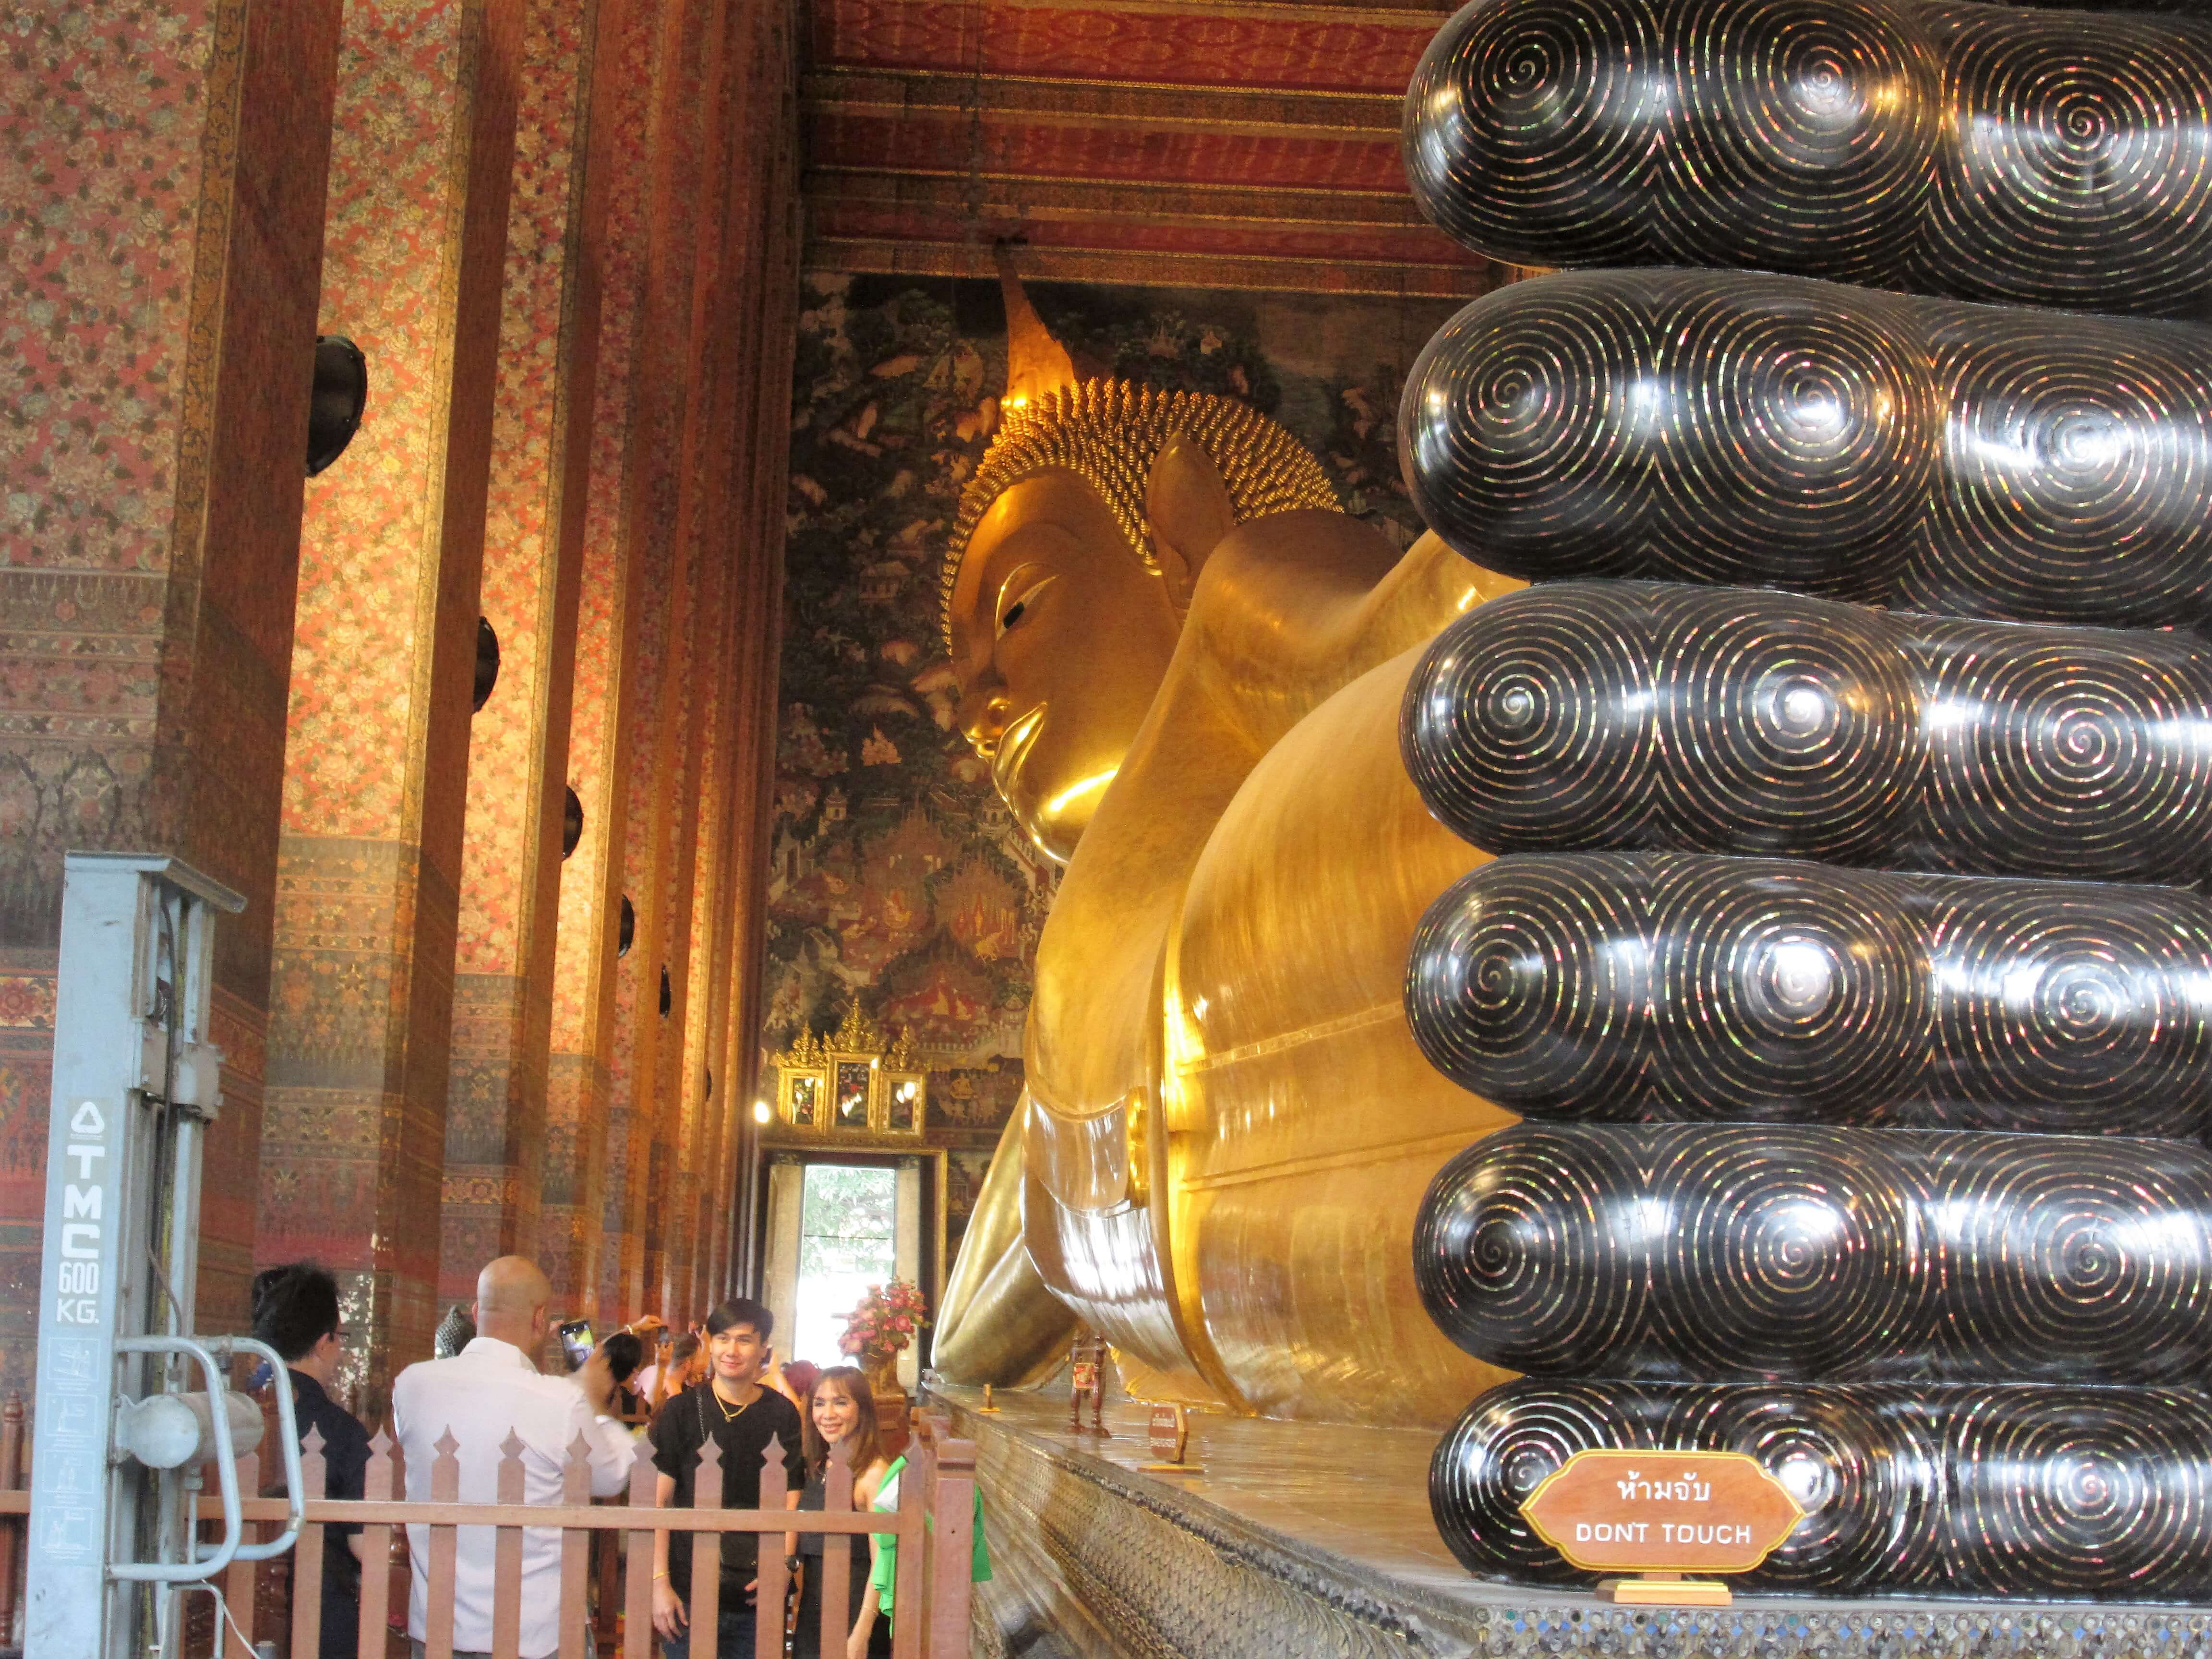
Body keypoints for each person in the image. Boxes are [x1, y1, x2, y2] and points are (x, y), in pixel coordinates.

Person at [391, 1257, 637, 1659]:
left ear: (476, 1312)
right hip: (533, 1634)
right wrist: (593, 1401)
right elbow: (611, 1476)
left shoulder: (411, 1386)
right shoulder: (560, 1400)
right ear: (540, 1319)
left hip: (437, 1628)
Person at [648, 1299, 806, 1658]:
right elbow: (660, 1501)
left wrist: (784, 1564)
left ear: (764, 1349)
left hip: (757, 1587)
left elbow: (792, 1494)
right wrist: (660, 1582)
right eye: (722, 1338)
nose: (731, 1350)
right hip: (688, 1589)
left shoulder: (781, 1413)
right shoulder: (681, 1411)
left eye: (744, 1340)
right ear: (710, 1344)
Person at [251, 1263, 372, 1659]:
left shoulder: (234, 1420)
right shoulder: (343, 1432)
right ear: (325, 1342)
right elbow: (364, 1545)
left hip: (236, 1614)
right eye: (341, 1337)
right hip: (322, 1620)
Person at [846, 1433, 990, 1659]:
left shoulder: (886, 1474)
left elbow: (882, 1549)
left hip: (923, 1597)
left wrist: (862, 1631)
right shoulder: (905, 1474)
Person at [790, 1369, 891, 1659]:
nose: (828, 1414)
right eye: (819, 1404)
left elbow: (883, 1563)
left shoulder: (873, 1473)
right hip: (814, 1614)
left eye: (841, 1403)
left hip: (855, 1614)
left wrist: (862, 1632)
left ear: (862, 1409)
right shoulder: (820, 1465)